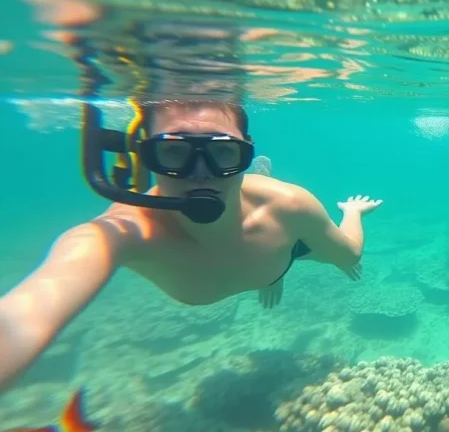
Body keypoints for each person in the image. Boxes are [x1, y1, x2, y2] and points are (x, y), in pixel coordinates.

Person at [0, 100, 382, 391]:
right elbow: (23, 319)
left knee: (347, 257)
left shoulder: (289, 208)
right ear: (143, 154)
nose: (201, 175)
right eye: (173, 153)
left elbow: (350, 251)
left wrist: (352, 213)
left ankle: (312, 236)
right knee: (274, 261)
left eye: (223, 154)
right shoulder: (126, 231)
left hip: (284, 248)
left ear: (243, 154)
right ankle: (270, 268)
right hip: (266, 249)